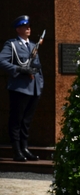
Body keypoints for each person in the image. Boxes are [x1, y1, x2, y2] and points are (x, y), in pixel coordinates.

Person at [0, 15, 43, 162]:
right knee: (16, 120)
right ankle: (17, 150)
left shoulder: (32, 45)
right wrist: (19, 69)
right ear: (18, 29)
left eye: (29, 26)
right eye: (25, 26)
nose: (28, 28)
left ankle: (25, 148)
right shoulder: (11, 45)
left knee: (26, 121)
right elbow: (2, 61)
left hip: (34, 87)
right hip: (19, 87)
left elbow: (38, 66)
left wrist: (40, 83)